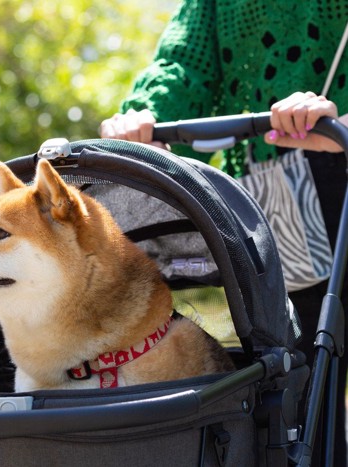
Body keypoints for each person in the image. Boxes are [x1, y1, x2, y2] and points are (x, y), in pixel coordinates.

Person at [98, 1, 348, 465]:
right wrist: (144, 116)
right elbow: (183, 65)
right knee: (303, 395)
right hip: (271, 192)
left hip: (337, 157)